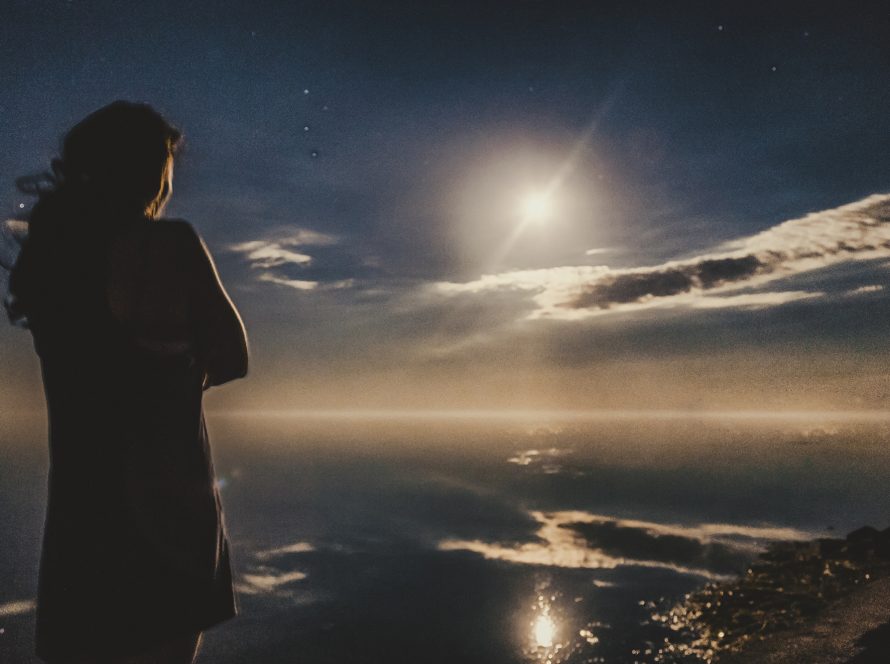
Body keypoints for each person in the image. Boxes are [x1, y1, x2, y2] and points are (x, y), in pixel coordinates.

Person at [6, 101, 248, 664]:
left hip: (82, 511)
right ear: (149, 171)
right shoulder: (173, 245)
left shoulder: (53, 258)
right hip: (169, 506)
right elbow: (233, 358)